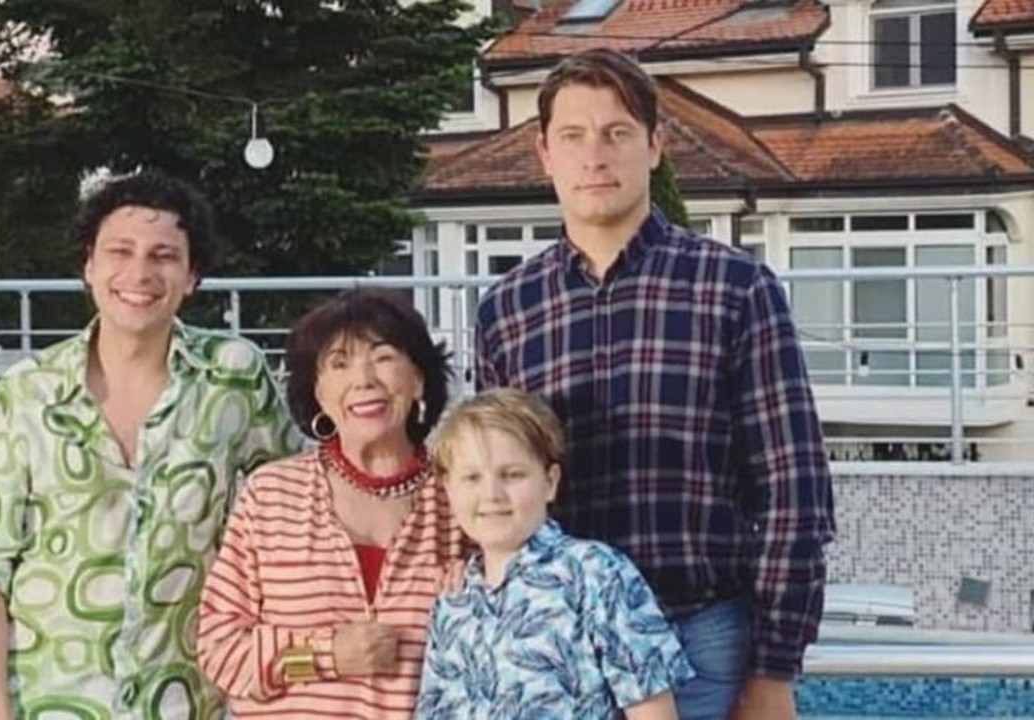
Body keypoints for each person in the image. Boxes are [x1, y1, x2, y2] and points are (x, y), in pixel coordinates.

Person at [473, 48, 836, 720]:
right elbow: (488, 484)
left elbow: (794, 491)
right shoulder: (508, 309)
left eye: (617, 133)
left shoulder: (735, 289)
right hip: (557, 650)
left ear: (655, 145)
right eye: (573, 137)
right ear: (545, 154)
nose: (595, 157)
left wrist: (774, 671)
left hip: (698, 638)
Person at [0, 169, 298, 720]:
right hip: (45, 703)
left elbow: (295, 517)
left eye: (164, 256)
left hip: (184, 702)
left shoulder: (234, 377)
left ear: (192, 275)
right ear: (89, 265)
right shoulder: (27, 391)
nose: (140, 273)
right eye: (120, 251)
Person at [197, 289, 457, 719]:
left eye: (383, 357)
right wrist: (327, 655)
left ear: (418, 379)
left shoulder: (465, 498)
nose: (363, 380)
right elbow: (219, 646)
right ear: (318, 392)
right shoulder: (271, 495)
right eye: (339, 363)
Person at [415, 388, 693, 719]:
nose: (492, 494)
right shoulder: (453, 600)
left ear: (550, 482)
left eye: (512, 475)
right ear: (448, 488)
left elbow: (653, 710)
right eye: (472, 477)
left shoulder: (597, 573)